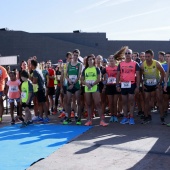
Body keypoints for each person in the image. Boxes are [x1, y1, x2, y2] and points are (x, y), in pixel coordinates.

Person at [81, 55, 108, 126]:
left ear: (94, 61)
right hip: (87, 88)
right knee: (89, 104)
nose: (90, 61)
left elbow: (99, 79)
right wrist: (87, 84)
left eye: (91, 59)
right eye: (89, 60)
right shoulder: (85, 69)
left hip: (95, 87)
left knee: (98, 104)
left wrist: (92, 84)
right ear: (87, 61)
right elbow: (82, 79)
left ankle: (102, 120)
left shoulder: (96, 69)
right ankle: (89, 120)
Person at [140, 49, 165, 124]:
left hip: (156, 84)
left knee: (159, 100)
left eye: (148, 56)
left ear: (152, 56)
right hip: (147, 84)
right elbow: (140, 75)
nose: (147, 58)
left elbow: (163, 73)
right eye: (146, 56)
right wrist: (142, 84)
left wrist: (159, 83)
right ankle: (147, 116)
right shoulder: (143, 64)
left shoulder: (156, 63)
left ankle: (162, 118)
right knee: (146, 100)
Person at [116, 48, 140, 125]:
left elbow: (138, 76)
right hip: (123, 84)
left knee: (131, 101)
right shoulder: (121, 64)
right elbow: (118, 75)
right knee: (124, 102)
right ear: (124, 55)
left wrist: (137, 87)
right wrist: (117, 84)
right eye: (126, 53)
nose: (127, 55)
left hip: (132, 84)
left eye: (129, 53)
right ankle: (125, 117)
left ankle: (131, 117)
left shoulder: (135, 64)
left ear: (131, 54)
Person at [63, 49, 82, 125]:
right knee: (68, 102)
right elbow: (65, 74)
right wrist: (69, 81)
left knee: (78, 101)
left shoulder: (79, 64)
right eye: (74, 55)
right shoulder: (68, 64)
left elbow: (79, 75)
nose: (75, 56)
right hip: (69, 84)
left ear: (78, 56)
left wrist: (73, 83)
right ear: (72, 55)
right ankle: (68, 118)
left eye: (77, 55)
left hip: (76, 85)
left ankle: (78, 118)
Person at [102, 55, 120, 122]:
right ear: (108, 60)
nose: (111, 59)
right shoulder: (106, 68)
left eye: (112, 58)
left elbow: (120, 75)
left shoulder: (118, 67)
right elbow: (100, 75)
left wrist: (119, 83)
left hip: (116, 86)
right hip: (109, 86)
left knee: (115, 102)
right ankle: (112, 115)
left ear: (115, 60)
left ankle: (115, 115)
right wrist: (104, 82)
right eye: (110, 58)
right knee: (110, 102)